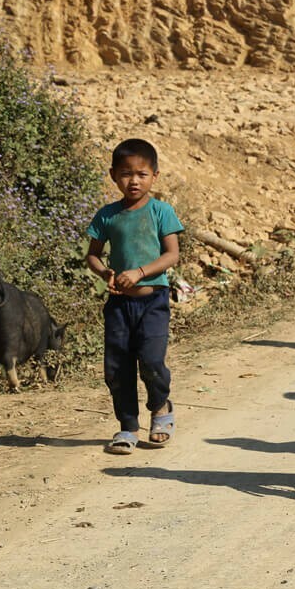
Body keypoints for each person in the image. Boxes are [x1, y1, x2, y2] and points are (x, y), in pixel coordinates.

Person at [86, 139, 184, 455]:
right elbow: (93, 256)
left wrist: (140, 272)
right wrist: (106, 274)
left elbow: (171, 255)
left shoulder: (161, 211)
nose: (134, 181)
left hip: (153, 301)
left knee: (152, 361)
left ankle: (160, 407)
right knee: (117, 368)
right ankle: (127, 427)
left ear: (154, 175)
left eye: (142, 174)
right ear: (114, 175)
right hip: (118, 304)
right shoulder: (107, 215)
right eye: (126, 174)